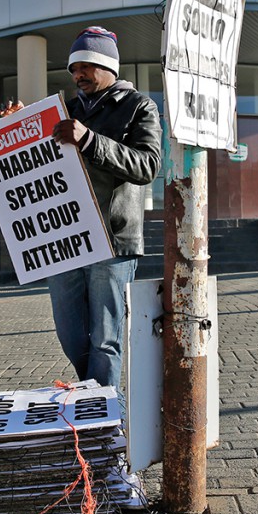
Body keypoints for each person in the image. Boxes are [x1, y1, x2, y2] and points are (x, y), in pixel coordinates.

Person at [47, 26, 162, 391]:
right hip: (67, 236)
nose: (77, 74)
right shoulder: (64, 110)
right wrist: (17, 124)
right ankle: (96, 400)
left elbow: (147, 165)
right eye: (73, 69)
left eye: (85, 66)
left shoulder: (139, 106)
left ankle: (104, 419)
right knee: (71, 334)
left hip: (112, 239)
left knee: (105, 339)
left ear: (107, 66)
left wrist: (90, 140)